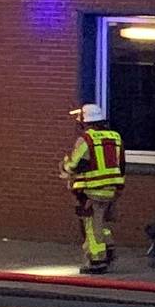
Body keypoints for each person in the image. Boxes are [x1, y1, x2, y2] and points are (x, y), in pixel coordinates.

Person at [59, 103, 125, 274]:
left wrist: (65, 165)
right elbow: (121, 164)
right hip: (111, 190)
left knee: (90, 225)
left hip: (91, 191)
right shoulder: (115, 137)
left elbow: (75, 164)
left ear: (85, 122)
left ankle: (97, 261)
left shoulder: (86, 139)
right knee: (100, 222)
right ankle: (108, 250)